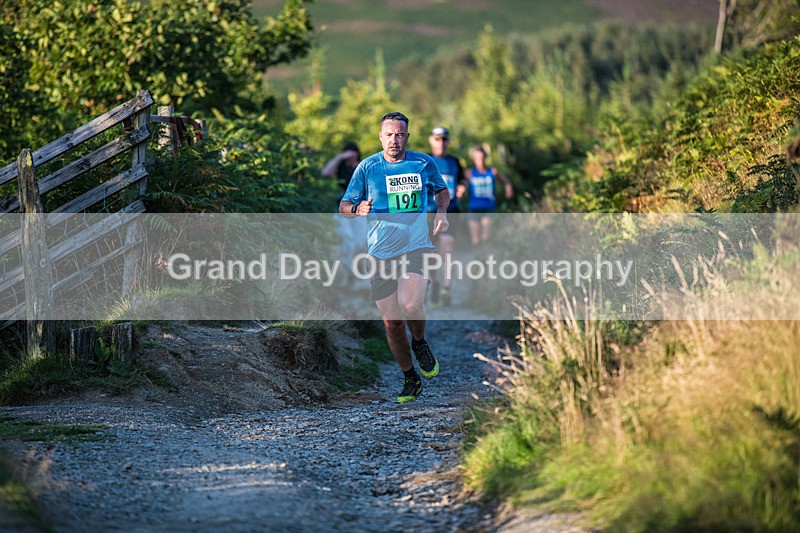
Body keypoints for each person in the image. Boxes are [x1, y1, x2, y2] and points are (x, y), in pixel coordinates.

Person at [339, 112, 450, 403]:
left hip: (415, 247)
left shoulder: (423, 162)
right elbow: (344, 204)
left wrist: (441, 212)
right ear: (380, 136)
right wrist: (357, 210)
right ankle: (410, 377)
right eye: (389, 134)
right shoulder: (367, 167)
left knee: (411, 303)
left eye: (400, 134)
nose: (394, 140)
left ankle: (420, 342)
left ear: (407, 137)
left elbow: (442, 191)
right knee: (392, 324)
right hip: (379, 253)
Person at [426, 126, 465, 307]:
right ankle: (436, 283)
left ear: (448, 141)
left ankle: (446, 289)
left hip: (451, 209)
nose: (441, 142)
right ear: (431, 140)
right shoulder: (425, 161)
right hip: (430, 211)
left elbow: (462, 180)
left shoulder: (455, 162)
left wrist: (462, 187)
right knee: (432, 252)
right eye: (437, 139)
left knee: (448, 248)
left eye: (444, 139)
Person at [324, 142, 365, 279]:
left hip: (360, 211)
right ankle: (349, 273)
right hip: (342, 211)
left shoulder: (362, 167)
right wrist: (340, 157)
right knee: (347, 241)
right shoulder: (340, 167)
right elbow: (326, 173)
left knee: (361, 242)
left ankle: (360, 272)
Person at [465, 145, 512, 246]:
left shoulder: (492, 171)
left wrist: (508, 189)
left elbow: (506, 181)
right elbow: (461, 185)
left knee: (486, 237)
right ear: (474, 159)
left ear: (485, 158)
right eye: (477, 158)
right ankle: (477, 258)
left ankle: (486, 258)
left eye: (482, 158)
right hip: (474, 207)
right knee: (475, 240)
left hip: (488, 207)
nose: (480, 161)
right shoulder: (470, 173)